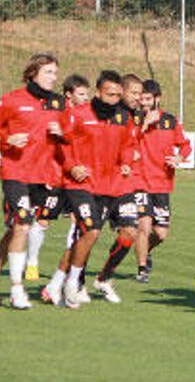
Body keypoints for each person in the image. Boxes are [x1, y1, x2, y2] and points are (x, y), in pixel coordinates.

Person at [0, 54, 67, 309]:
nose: (53, 77)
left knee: (17, 229)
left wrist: (63, 134)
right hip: (15, 172)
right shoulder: (11, 100)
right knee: (24, 226)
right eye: (48, 72)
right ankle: (17, 289)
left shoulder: (59, 103)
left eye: (55, 73)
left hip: (43, 177)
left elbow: (72, 134)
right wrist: (7, 141)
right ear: (33, 73)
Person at [52, 70, 135, 308]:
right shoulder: (77, 114)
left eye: (118, 95)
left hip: (110, 186)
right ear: (98, 92)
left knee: (92, 234)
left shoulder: (123, 117)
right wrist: (73, 166)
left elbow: (129, 145)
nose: (114, 99)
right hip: (80, 184)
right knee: (92, 231)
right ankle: (72, 283)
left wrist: (128, 162)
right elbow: (63, 146)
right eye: (110, 94)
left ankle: (70, 280)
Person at [130, 79, 191, 283]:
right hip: (139, 181)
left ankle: (145, 252)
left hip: (162, 184)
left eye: (147, 99)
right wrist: (145, 124)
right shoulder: (134, 119)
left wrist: (179, 158)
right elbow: (127, 143)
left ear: (158, 99)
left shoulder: (170, 121)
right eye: (141, 99)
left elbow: (185, 146)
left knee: (161, 233)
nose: (143, 103)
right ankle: (141, 268)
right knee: (144, 227)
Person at [45, 74, 92, 305]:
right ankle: (53, 281)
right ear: (69, 95)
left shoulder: (86, 118)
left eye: (87, 93)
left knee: (81, 230)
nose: (86, 98)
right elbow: (56, 147)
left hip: (77, 181)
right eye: (81, 94)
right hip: (59, 179)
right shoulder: (63, 117)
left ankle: (62, 284)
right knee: (34, 225)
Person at [96, 74, 144, 286]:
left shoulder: (136, 116)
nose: (138, 98)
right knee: (89, 235)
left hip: (124, 184)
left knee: (130, 231)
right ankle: (72, 278)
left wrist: (130, 155)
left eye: (140, 94)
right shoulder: (109, 113)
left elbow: (130, 144)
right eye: (134, 93)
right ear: (122, 91)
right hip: (102, 184)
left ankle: (104, 278)